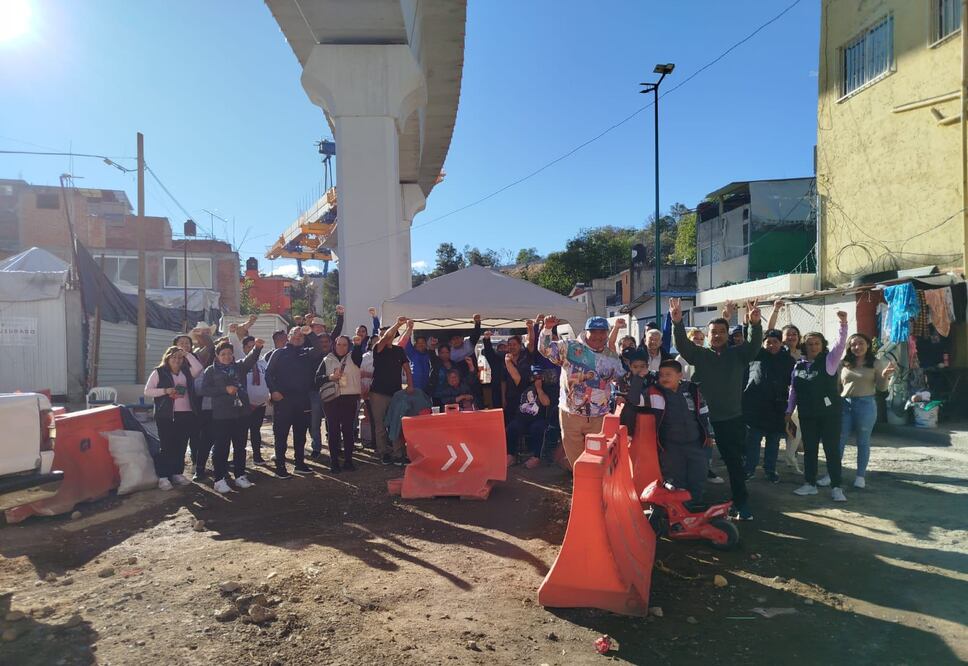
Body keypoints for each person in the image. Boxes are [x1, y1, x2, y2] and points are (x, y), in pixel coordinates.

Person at [671, 296, 761, 521]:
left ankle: (742, 503)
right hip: (701, 420)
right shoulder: (700, 355)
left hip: (730, 418)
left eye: (722, 331)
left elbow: (754, 346)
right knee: (697, 461)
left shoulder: (738, 354)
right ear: (708, 335)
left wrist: (755, 324)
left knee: (733, 463)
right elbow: (683, 346)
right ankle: (692, 499)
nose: (718, 335)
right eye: (714, 332)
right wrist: (677, 323)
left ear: (727, 333)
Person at [539, 315, 625, 468]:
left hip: (599, 415)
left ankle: (596, 486)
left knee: (598, 457)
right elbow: (545, 349)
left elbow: (619, 379)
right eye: (594, 331)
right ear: (586, 332)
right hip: (570, 413)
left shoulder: (611, 356)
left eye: (602, 332)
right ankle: (581, 483)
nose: (599, 336)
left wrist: (622, 393)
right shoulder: (569, 347)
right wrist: (547, 329)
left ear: (607, 332)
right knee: (576, 459)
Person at [632, 359, 715, 506]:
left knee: (699, 474)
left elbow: (703, 412)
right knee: (676, 478)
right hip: (671, 447)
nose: (664, 378)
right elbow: (633, 399)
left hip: (695, 443)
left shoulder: (692, 390)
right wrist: (639, 377)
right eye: (661, 374)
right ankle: (678, 510)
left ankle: (695, 505)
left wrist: (708, 434)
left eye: (668, 374)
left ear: (680, 375)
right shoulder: (654, 393)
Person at [818, 332, 895, 489]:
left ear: (867, 345)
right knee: (838, 441)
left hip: (866, 404)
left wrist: (886, 376)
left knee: (863, 441)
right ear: (849, 347)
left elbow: (881, 387)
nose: (857, 347)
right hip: (844, 404)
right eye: (853, 344)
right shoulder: (843, 363)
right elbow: (837, 387)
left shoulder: (876, 363)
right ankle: (832, 474)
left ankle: (860, 476)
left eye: (861, 343)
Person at [787, 312, 849, 501]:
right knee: (810, 450)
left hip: (829, 414)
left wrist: (843, 323)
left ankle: (837, 487)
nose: (813, 347)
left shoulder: (829, 362)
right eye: (810, 344)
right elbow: (793, 391)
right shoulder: (798, 366)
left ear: (822, 346)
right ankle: (810, 484)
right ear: (804, 346)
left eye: (817, 343)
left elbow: (840, 345)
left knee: (831, 450)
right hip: (807, 414)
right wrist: (788, 411)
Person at [199, 338, 264, 493]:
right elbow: (204, 390)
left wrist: (257, 348)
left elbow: (250, 360)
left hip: (241, 413)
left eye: (229, 353)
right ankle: (219, 479)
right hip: (222, 414)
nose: (227, 356)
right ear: (217, 355)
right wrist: (224, 390)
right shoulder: (211, 371)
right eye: (223, 354)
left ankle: (240, 475)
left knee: (240, 446)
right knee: (221, 447)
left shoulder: (239, 367)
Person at [265, 320, 326, 478]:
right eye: (294, 335)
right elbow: (268, 373)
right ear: (288, 337)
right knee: (281, 434)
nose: (297, 338)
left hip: (302, 399)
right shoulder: (279, 353)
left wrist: (309, 333)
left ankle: (299, 464)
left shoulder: (306, 352)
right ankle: (280, 466)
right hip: (283, 400)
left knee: (300, 434)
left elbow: (319, 349)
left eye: (301, 336)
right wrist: (273, 391)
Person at [743, 329, 795, 483]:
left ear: (781, 343)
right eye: (768, 342)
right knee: (753, 440)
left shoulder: (788, 360)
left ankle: (770, 470)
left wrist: (790, 409)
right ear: (763, 343)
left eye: (775, 342)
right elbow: (751, 337)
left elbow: (792, 385)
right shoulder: (756, 355)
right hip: (755, 406)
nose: (771, 345)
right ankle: (749, 469)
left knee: (773, 441)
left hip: (777, 407)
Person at [144, 346, 199, 490]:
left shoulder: (186, 372)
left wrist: (187, 353)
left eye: (180, 357)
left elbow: (199, 369)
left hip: (186, 413)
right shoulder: (159, 372)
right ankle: (163, 476)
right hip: (166, 415)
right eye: (173, 357)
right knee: (167, 445)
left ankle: (177, 473)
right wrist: (165, 391)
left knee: (181, 445)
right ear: (167, 358)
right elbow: (148, 391)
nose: (177, 360)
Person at [370, 316, 415, 465]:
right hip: (378, 393)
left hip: (396, 393)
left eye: (386, 333)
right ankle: (384, 453)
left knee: (396, 422)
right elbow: (387, 337)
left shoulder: (398, 350)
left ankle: (398, 454)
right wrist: (398, 324)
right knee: (380, 425)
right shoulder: (378, 348)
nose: (384, 335)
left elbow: (407, 369)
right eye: (382, 334)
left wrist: (410, 385)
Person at [316, 335, 364, 473]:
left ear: (348, 346)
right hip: (332, 399)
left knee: (348, 430)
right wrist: (329, 377)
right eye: (339, 344)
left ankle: (348, 461)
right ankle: (334, 462)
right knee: (333, 431)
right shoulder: (327, 359)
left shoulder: (354, 357)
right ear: (334, 345)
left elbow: (358, 357)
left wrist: (358, 345)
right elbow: (316, 380)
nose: (341, 347)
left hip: (349, 398)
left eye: (344, 345)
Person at [502, 334, 535, 465]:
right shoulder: (505, 360)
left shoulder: (525, 357)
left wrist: (531, 328)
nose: (511, 347)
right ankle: (510, 454)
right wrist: (503, 397)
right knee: (510, 426)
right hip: (511, 397)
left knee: (523, 425)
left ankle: (528, 451)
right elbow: (503, 381)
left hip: (526, 397)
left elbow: (518, 380)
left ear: (519, 345)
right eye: (509, 345)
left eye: (514, 344)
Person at [239, 335, 269, 464]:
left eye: (254, 346)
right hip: (245, 404)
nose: (251, 349)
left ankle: (257, 456)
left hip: (260, 404)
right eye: (249, 347)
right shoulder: (241, 362)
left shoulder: (263, 362)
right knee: (242, 432)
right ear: (244, 348)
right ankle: (240, 459)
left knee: (256, 430)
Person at [397, 319, 432, 394]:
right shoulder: (412, 353)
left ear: (426, 344)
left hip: (427, 387)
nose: (421, 344)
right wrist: (408, 327)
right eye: (418, 343)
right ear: (415, 345)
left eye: (423, 342)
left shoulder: (429, 354)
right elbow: (406, 341)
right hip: (414, 387)